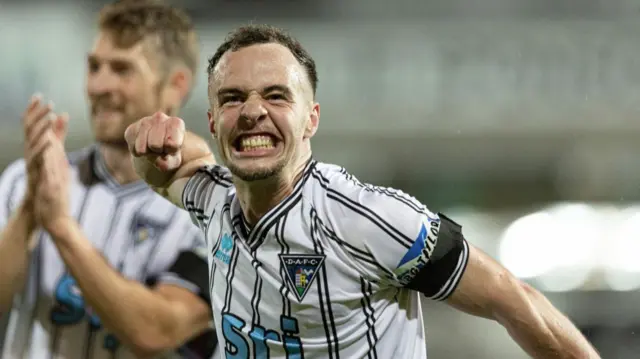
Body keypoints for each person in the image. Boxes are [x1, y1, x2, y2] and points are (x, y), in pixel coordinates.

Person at [125, 25, 600, 358]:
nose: (252, 112)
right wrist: (148, 141)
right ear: (213, 121)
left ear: (311, 118)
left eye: (275, 95)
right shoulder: (214, 203)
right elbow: (168, 168)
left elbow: (510, 299)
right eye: (232, 98)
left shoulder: (364, 219)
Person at [0, 1, 219, 358]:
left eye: (122, 69)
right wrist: (28, 212)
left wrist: (59, 226)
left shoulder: (211, 212)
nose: (99, 85)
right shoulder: (25, 183)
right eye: (94, 66)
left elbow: (156, 331)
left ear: (176, 85)